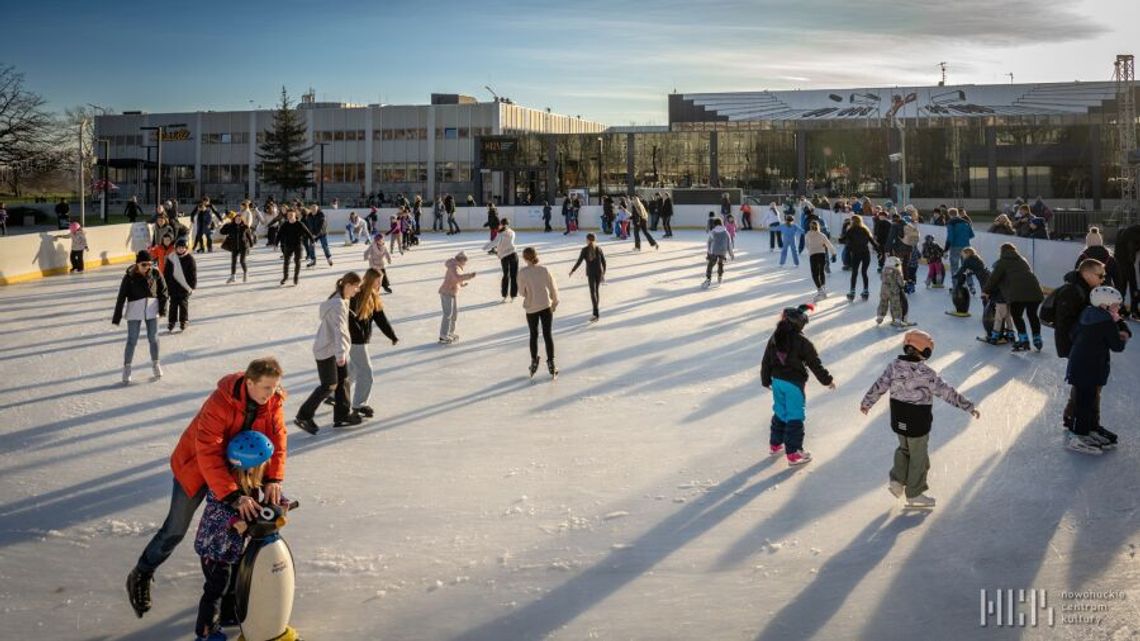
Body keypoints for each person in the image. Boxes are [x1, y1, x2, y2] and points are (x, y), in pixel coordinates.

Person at [126, 357, 287, 620]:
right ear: (249, 383)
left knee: (241, 528)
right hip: (197, 468)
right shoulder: (220, 402)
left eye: (275, 387)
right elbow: (208, 451)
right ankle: (142, 573)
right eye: (267, 388)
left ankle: (226, 596)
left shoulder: (273, 402)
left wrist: (273, 479)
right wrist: (233, 495)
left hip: (240, 468)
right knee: (175, 530)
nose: (272, 393)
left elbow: (278, 440)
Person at [860, 330, 980, 509]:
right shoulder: (926, 373)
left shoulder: (894, 365)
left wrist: (867, 402)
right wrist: (968, 406)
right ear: (925, 351)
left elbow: (880, 384)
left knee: (904, 449)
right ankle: (915, 493)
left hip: (898, 417)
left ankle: (897, 481)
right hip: (917, 420)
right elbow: (946, 392)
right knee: (919, 457)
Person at [192, 431, 277, 641]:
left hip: (232, 548)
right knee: (216, 589)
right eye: (263, 464)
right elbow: (215, 510)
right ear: (250, 466)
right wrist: (233, 521)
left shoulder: (248, 481)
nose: (266, 468)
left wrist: (279, 503)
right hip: (215, 549)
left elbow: (263, 499)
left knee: (235, 581)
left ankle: (228, 615)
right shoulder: (223, 483)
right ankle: (205, 631)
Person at [760, 304, 835, 466]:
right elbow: (815, 364)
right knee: (794, 415)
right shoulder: (802, 341)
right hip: (793, 384)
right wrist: (827, 380)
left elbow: (766, 360)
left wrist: (765, 380)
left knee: (780, 411)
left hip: (777, 382)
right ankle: (793, 453)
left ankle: (775, 444)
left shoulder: (775, 337)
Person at [294, 272, 363, 434]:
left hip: (335, 349)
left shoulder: (341, 299)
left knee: (343, 380)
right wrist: (340, 355)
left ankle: (342, 415)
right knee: (329, 385)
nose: (357, 290)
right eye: (356, 287)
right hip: (327, 350)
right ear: (347, 285)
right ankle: (303, 416)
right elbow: (339, 331)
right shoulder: (337, 304)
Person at [1065, 286, 1130, 454]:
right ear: (1105, 305)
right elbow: (1117, 346)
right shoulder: (1106, 322)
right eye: (1116, 306)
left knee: (1085, 400)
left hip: (1079, 364)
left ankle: (1088, 430)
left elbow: (1073, 334)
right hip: (1091, 368)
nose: (1119, 309)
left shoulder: (1087, 313)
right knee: (1086, 402)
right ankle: (1079, 436)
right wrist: (1122, 335)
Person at [347, 269, 399, 419]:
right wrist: (357, 335)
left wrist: (392, 335)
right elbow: (349, 319)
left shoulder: (373, 296)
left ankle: (334, 392)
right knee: (366, 373)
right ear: (371, 280)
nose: (380, 283)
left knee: (354, 370)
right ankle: (359, 404)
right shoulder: (357, 295)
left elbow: (380, 318)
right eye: (378, 281)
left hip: (360, 340)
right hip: (355, 341)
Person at [113, 250, 169, 384]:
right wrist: (117, 316)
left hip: (152, 308)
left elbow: (163, 292)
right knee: (132, 340)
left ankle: (156, 364)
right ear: (137, 263)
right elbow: (121, 297)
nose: (147, 267)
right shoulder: (129, 276)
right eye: (144, 264)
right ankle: (127, 368)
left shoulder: (155, 273)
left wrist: (162, 309)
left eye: (150, 264)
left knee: (153, 338)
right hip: (134, 310)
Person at [983, 243, 1044, 352]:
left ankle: (1023, 340)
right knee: (1032, 315)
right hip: (1035, 291)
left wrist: (986, 291)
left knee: (1017, 316)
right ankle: (1037, 339)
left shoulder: (1002, 262)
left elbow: (993, 279)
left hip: (1017, 294)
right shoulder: (1022, 260)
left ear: (1001, 252)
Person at [517, 247, 560, 378]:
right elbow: (553, 287)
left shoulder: (522, 272)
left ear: (524, 258)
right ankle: (551, 363)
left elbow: (521, 292)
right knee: (547, 334)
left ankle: (534, 361)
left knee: (533, 335)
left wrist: (529, 292)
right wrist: (554, 301)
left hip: (531, 308)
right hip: (545, 306)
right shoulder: (544, 270)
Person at [438, 251, 476, 344]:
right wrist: (469, 276)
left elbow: (456, 279)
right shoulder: (453, 267)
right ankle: (443, 335)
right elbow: (457, 277)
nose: (466, 263)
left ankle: (450, 332)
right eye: (465, 261)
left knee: (454, 314)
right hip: (446, 292)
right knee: (448, 314)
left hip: (452, 292)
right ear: (461, 260)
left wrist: (462, 284)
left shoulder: (457, 267)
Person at [839, 213, 877, 301]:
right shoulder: (865, 230)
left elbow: (842, 240)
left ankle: (852, 292)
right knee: (864, 273)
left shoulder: (850, 230)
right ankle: (865, 291)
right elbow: (872, 242)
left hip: (856, 254)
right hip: (865, 253)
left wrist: (842, 234)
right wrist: (880, 252)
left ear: (852, 222)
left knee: (854, 273)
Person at [569, 233, 607, 322]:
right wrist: (603, 273)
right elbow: (604, 262)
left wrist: (572, 270)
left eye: (586, 239)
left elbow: (579, 262)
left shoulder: (584, 250)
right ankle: (595, 312)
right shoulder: (598, 248)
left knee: (593, 293)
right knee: (596, 292)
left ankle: (596, 314)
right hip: (598, 272)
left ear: (588, 240)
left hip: (591, 273)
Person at [164, 237, 197, 333]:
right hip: (173, 286)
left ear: (186, 248)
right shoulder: (171, 258)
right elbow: (166, 273)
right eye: (179, 247)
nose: (181, 249)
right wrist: (166, 285)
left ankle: (184, 321)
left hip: (184, 287)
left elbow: (193, 273)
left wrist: (192, 286)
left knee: (183, 305)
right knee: (173, 305)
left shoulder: (190, 259)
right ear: (176, 248)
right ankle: (172, 322)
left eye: (183, 247)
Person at [278, 208, 315, 286]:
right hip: (288, 245)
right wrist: (275, 243)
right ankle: (285, 277)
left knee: (297, 262)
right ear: (287, 216)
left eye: (292, 215)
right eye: (289, 215)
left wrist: (312, 241)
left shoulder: (300, 224)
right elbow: (279, 234)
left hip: (298, 245)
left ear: (295, 215)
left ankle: (296, 278)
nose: (290, 216)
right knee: (286, 262)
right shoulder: (285, 224)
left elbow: (308, 232)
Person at [219, 213, 255, 284]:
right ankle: (233, 277)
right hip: (234, 247)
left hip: (243, 246)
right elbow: (222, 232)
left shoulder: (245, 227)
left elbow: (249, 236)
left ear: (241, 220)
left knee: (242, 261)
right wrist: (225, 224)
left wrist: (251, 245)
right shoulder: (230, 226)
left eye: (239, 219)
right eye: (236, 219)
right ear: (234, 219)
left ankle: (245, 273)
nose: (237, 220)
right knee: (233, 262)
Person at [805, 220, 837, 300]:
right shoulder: (822, 235)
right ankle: (823, 288)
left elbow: (807, 245)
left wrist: (811, 249)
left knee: (814, 274)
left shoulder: (808, 234)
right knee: (821, 272)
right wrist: (833, 254)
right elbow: (829, 244)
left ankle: (820, 291)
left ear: (810, 227)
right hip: (821, 255)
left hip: (813, 255)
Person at [877, 255, 913, 327]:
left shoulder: (884, 270)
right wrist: (904, 283)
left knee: (883, 303)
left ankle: (880, 317)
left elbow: (881, 278)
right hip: (893, 291)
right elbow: (901, 282)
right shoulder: (896, 271)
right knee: (895, 305)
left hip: (883, 290)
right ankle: (897, 320)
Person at [944, 207, 975, 283]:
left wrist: (946, 250)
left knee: (955, 267)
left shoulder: (951, 223)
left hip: (955, 247)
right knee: (967, 266)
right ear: (957, 213)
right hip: (966, 247)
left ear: (949, 214)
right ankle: (971, 285)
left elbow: (950, 238)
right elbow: (971, 235)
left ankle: (956, 286)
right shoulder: (966, 222)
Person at [703, 217, 735, 288]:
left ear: (714, 224)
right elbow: (729, 244)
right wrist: (731, 254)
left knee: (710, 265)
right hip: (723, 251)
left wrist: (709, 251)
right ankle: (720, 276)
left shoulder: (713, 232)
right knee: (721, 264)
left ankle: (708, 279)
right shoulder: (726, 232)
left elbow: (709, 242)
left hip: (714, 251)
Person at [494, 218, 519, 302]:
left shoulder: (500, 234)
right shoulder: (512, 232)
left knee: (506, 275)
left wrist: (499, 253)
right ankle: (512, 295)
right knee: (512, 275)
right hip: (513, 254)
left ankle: (506, 295)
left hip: (505, 256)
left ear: (501, 224)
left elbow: (498, 245)